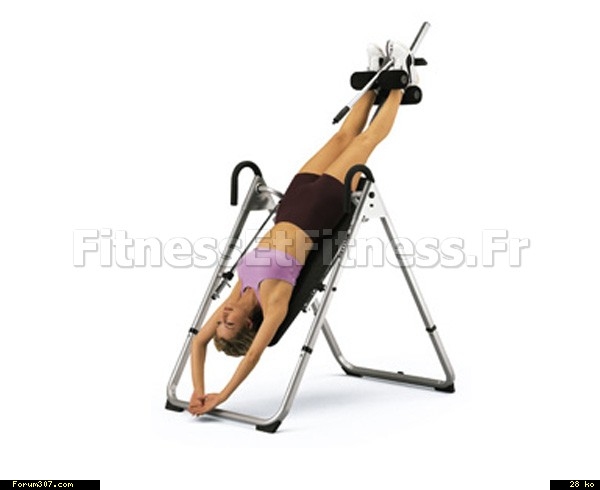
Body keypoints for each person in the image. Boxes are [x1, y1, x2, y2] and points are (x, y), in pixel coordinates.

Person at [189, 40, 412, 415]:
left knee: (340, 138)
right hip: (320, 209)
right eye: (229, 324)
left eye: (221, 322)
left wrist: (198, 389)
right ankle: (401, 79)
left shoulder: (236, 296)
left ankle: (376, 80)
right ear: (248, 326)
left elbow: (197, 344)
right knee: (366, 141)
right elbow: (252, 357)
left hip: (292, 203)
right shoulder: (273, 304)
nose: (223, 317)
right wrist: (223, 395)